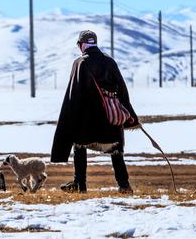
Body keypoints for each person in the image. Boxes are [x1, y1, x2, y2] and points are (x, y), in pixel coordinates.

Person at [50, 30, 139, 193]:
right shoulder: (110, 62)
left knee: (79, 146)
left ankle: (80, 184)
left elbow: (74, 96)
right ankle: (124, 185)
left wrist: (68, 124)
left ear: (81, 45)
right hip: (111, 119)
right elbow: (123, 91)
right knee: (116, 151)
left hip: (87, 121)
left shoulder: (80, 63)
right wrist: (131, 117)